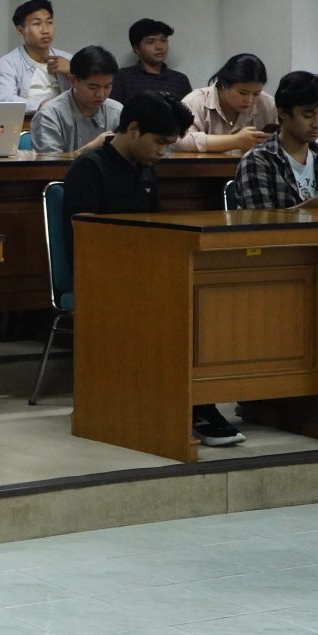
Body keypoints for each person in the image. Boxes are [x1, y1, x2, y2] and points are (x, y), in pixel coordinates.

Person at [59, 91, 244, 445]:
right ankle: (189, 406)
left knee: (205, 298)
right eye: (159, 142)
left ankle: (197, 402)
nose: (164, 151)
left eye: (170, 144)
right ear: (133, 129)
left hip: (142, 273)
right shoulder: (90, 167)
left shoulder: (145, 169)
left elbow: (156, 230)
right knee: (174, 307)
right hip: (100, 277)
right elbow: (83, 239)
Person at [233, 71, 318, 211]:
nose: (316, 124)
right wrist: (316, 204)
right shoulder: (258, 160)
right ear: (282, 113)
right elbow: (259, 220)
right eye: (308, 115)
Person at [175, 53, 277, 153]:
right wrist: (235, 141)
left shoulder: (267, 104)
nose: (249, 100)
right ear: (224, 85)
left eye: (256, 93)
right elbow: (179, 139)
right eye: (242, 93)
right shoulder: (196, 101)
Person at [31, 46, 122, 157]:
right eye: (93, 87)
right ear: (72, 80)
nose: (101, 94)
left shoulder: (117, 112)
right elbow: (50, 164)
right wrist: (89, 149)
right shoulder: (49, 115)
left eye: (107, 87)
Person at [0, 0, 70, 113]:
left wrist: (73, 70)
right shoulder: (8, 63)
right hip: (27, 121)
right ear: (20, 31)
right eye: (37, 24)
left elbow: (88, 93)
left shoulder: (67, 59)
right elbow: (5, 100)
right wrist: (40, 106)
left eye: (49, 22)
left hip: (64, 121)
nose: (45, 30)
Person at [110, 18, 193, 104]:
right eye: (151, 42)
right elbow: (113, 110)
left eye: (163, 40)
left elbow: (188, 110)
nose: (159, 47)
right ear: (137, 49)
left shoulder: (180, 80)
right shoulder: (122, 78)